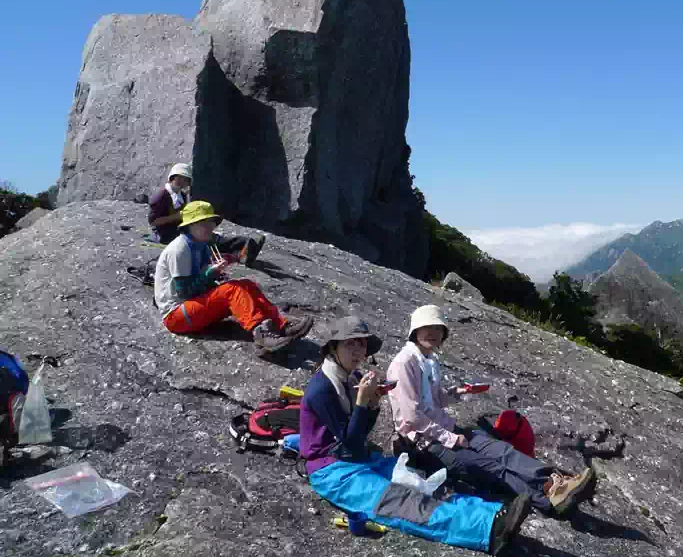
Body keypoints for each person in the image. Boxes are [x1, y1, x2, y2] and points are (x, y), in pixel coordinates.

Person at [300, 316, 531, 554]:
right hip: (331, 470)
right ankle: (487, 530)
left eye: (362, 343)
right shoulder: (322, 389)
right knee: (400, 501)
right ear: (333, 347)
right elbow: (351, 441)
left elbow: (359, 436)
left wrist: (373, 402)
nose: (358, 350)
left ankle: (492, 512)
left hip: (357, 456)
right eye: (350, 343)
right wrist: (362, 403)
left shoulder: (353, 378)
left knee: (421, 483)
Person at [387, 304, 595, 516]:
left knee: (502, 450)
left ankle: (552, 482)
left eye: (438, 328)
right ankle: (547, 502)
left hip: (446, 428)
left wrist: (457, 392)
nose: (433, 333)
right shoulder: (404, 363)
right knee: (491, 468)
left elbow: (436, 399)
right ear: (415, 331)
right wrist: (451, 438)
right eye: (427, 327)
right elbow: (411, 417)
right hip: (423, 444)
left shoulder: (429, 361)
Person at [153, 200, 311, 355]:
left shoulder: (200, 244)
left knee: (247, 285)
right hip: (176, 316)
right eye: (205, 223)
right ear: (191, 225)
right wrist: (210, 274)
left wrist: (222, 266)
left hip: (191, 307)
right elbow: (184, 292)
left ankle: (281, 325)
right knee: (232, 290)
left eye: (212, 222)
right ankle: (261, 335)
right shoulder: (179, 249)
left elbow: (202, 278)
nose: (211, 227)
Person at [148, 162, 265, 266]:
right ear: (173, 178)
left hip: (181, 228)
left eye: (186, 179)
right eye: (182, 178)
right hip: (166, 233)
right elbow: (153, 221)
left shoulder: (181, 196)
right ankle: (243, 248)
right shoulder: (161, 196)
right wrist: (177, 216)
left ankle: (244, 247)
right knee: (207, 239)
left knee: (208, 235)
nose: (184, 182)